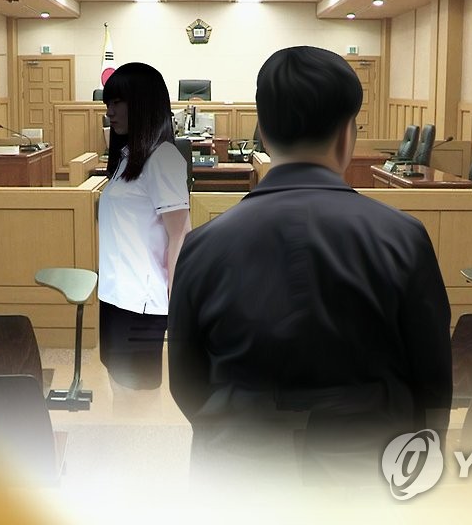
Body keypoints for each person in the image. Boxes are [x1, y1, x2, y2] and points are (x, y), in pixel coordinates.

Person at [167, 46, 452, 489]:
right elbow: (432, 381)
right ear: (346, 135)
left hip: (238, 473)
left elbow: (187, 384)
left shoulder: (202, 246)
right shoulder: (403, 238)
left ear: (262, 133)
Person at [99, 62, 191, 393]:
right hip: (114, 295)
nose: (110, 112)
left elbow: (179, 235)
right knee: (118, 387)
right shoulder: (128, 156)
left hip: (140, 303)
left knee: (137, 399)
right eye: (108, 103)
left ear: (143, 103)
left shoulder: (162, 158)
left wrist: (178, 303)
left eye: (118, 102)